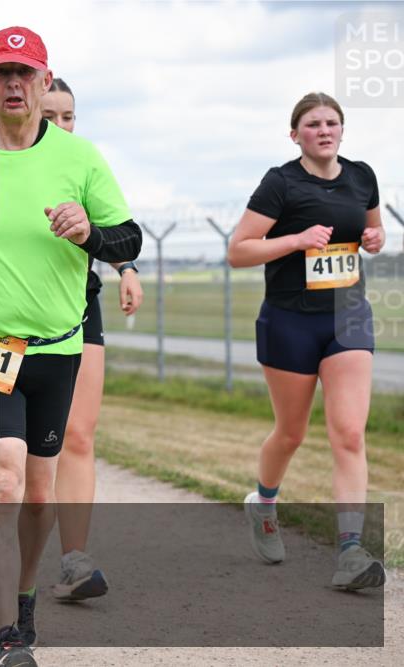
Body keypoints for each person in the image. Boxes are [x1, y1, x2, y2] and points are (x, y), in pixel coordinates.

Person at [0, 27, 141, 665]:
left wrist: (91, 232)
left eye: (26, 74)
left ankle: (28, 592)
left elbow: (129, 242)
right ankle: (8, 638)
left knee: (40, 494)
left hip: (58, 349)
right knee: (3, 481)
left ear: (44, 81)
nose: (15, 85)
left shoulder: (79, 158)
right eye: (3, 74)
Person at [227, 92, 386, 590]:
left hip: (347, 319)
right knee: (291, 433)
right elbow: (238, 251)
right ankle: (265, 503)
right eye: (313, 124)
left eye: (332, 122)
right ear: (295, 134)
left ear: (342, 130)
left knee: (349, 433)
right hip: (290, 320)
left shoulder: (362, 176)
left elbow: (372, 230)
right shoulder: (281, 182)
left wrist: (376, 240)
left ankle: (351, 552)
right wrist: (295, 240)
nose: (324, 129)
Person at [41, 77, 144, 603]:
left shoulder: (84, 163)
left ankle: (74, 561)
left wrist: (125, 266)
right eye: (51, 115)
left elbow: (117, 230)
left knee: (79, 436)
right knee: (23, 453)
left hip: (80, 307)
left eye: (70, 116)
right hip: (11, 320)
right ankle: (9, 549)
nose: (62, 126)